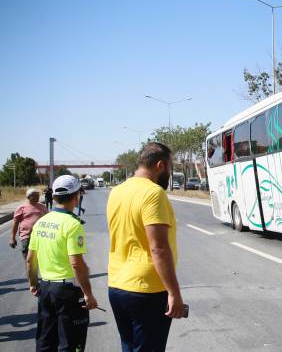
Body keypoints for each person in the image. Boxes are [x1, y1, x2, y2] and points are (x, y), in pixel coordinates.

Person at [106, 142, 186, 352]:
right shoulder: (153, 193)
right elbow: (158, 248)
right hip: (147, 290)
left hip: (117, 286)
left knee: (129, 346)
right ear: (160, 165)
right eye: (170, 167)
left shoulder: (117, 191)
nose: (170, 172)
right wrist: (173, 293)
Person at [26, 175, 98, 351]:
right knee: (71, 343)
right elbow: (76, 264)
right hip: (67, 292)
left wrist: (33, 283)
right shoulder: (73, 225)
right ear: (76, 196)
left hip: (46, 288)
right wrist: (88, 293)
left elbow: (30, 259)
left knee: (45, 340)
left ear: (55, 197)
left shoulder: (41, 222)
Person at [10, 188, 48, 259]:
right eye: (36, 196)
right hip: (26, 236)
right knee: (28, 258)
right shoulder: (21, 208)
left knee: (40, 257)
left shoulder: (43, 207)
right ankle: (29, 270)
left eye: (38, 195)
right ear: (29, 197)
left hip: (41, 236)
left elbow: (49, 220)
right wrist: (12, 238)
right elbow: (15, 223)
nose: (38, 197)